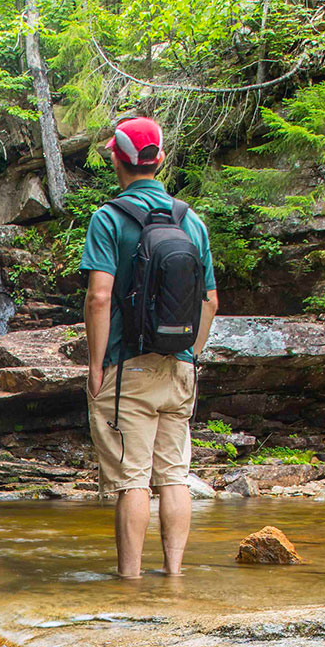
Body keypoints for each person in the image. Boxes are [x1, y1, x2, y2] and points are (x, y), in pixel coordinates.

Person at [80, 116, 219, 578]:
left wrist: (96, 367)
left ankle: (131, 581)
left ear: (117, 160)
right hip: (179, 366)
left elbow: (100, 296)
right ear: (159, 160)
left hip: (128, 368)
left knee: (132, 480)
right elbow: (210, 301)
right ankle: (175, 575)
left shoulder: (109, 218)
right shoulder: (191, 220)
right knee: (174, 476)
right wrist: (190, 355)